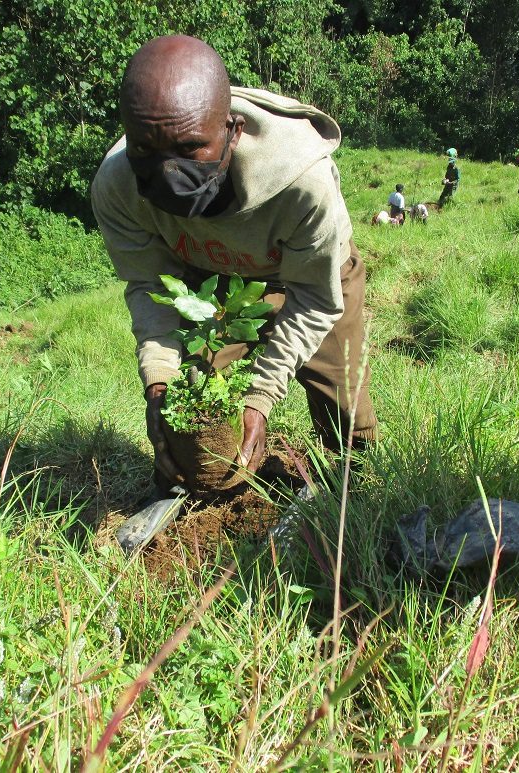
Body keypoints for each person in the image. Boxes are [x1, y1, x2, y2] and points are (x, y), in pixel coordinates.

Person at [91, 36, 378, 539]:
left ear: (233, 131)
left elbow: (315, 298)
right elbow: (150, 285)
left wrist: (262, 395)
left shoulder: (301, 181)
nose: (168, 173)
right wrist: (158, 378)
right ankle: (198, 488)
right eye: (146, 150)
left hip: (312, 277)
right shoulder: (117, 187)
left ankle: (352, 485)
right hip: (213, 282)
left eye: (190, 149)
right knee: (199, 401)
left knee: (341, 396)